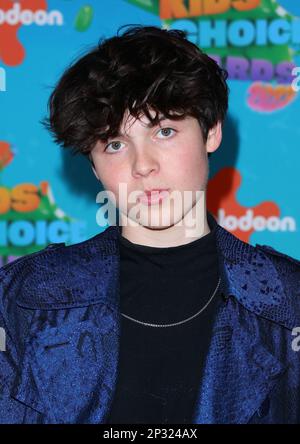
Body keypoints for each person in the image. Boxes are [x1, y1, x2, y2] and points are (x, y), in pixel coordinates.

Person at [0, 25, 300, 425]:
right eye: (115, 144)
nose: (143, 166)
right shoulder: (20, 299)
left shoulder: (288, 299)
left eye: (165, 131)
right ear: (93, 164)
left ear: (211, 133)